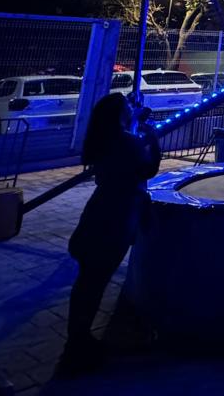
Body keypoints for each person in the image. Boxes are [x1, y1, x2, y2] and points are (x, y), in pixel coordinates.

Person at [63, 93, 161, 373]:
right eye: (128, 106)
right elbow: (148, 169)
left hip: (98, 213)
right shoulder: (127, 142)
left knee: (87, 283)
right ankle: (78, 346)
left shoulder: (105, 139)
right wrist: (153, 140)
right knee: (95, 283)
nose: (132, 108)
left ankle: (77, 337)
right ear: (119, 115)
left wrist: (135, 122)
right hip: (116, 218)